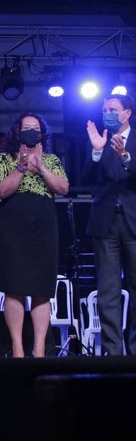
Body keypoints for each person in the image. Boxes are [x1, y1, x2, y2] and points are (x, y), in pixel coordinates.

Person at [0, 112, 69, 358]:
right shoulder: (5, 159)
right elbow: (2, 190)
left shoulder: (53, 160)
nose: (32, 131)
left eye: (36, 128)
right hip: (12, 228)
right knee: (13, 287)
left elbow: (63, 188)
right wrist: (22, 166)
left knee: (41, 288)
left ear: (42, 133)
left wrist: (42, 168)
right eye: (27, 128)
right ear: (17, 131)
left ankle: (39, 349)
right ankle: (17, 348)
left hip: (44, 227)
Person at [83, 93, 136, 356]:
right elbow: (83, 177)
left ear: (127, 113)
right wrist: (96, 150)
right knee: (108, 292)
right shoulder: (99, 139)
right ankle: (113, 353)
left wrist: (126, 157)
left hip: (133, 223)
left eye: (113, 109)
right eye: (105, 109)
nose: (107, 113)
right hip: (105, 225)